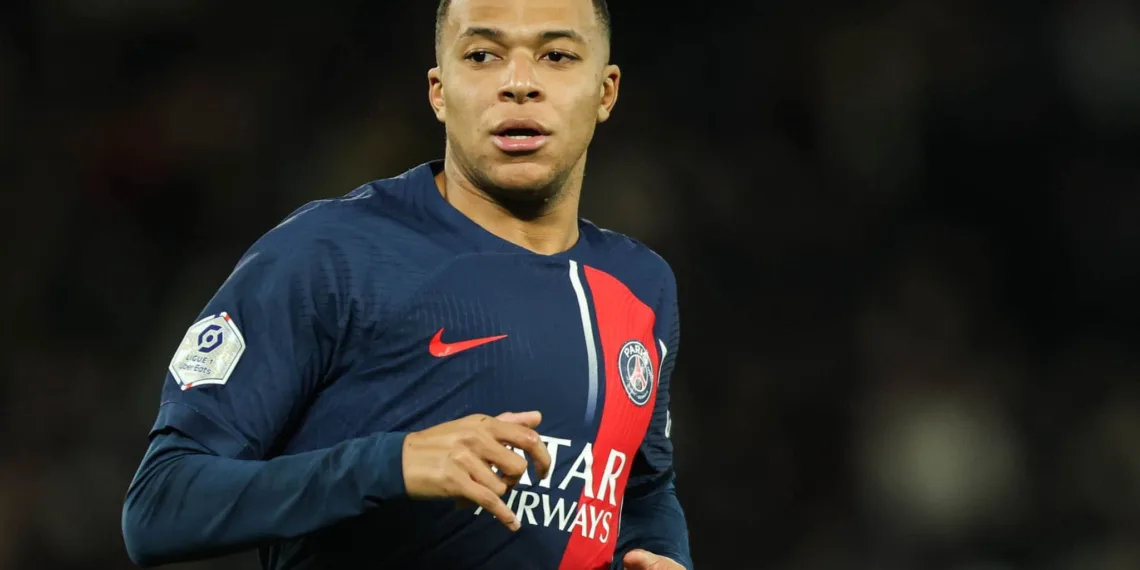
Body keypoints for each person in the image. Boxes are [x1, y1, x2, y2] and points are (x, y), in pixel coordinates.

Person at [121, 0, 692, 568]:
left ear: (606, 92)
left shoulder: (641, 287)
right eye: (483, 55)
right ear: (439, 92)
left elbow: (642, 491)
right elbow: (160, 505)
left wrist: (664, 555)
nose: (520, 83)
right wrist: (392, 464)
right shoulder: (330, 254)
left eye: (557, 56)